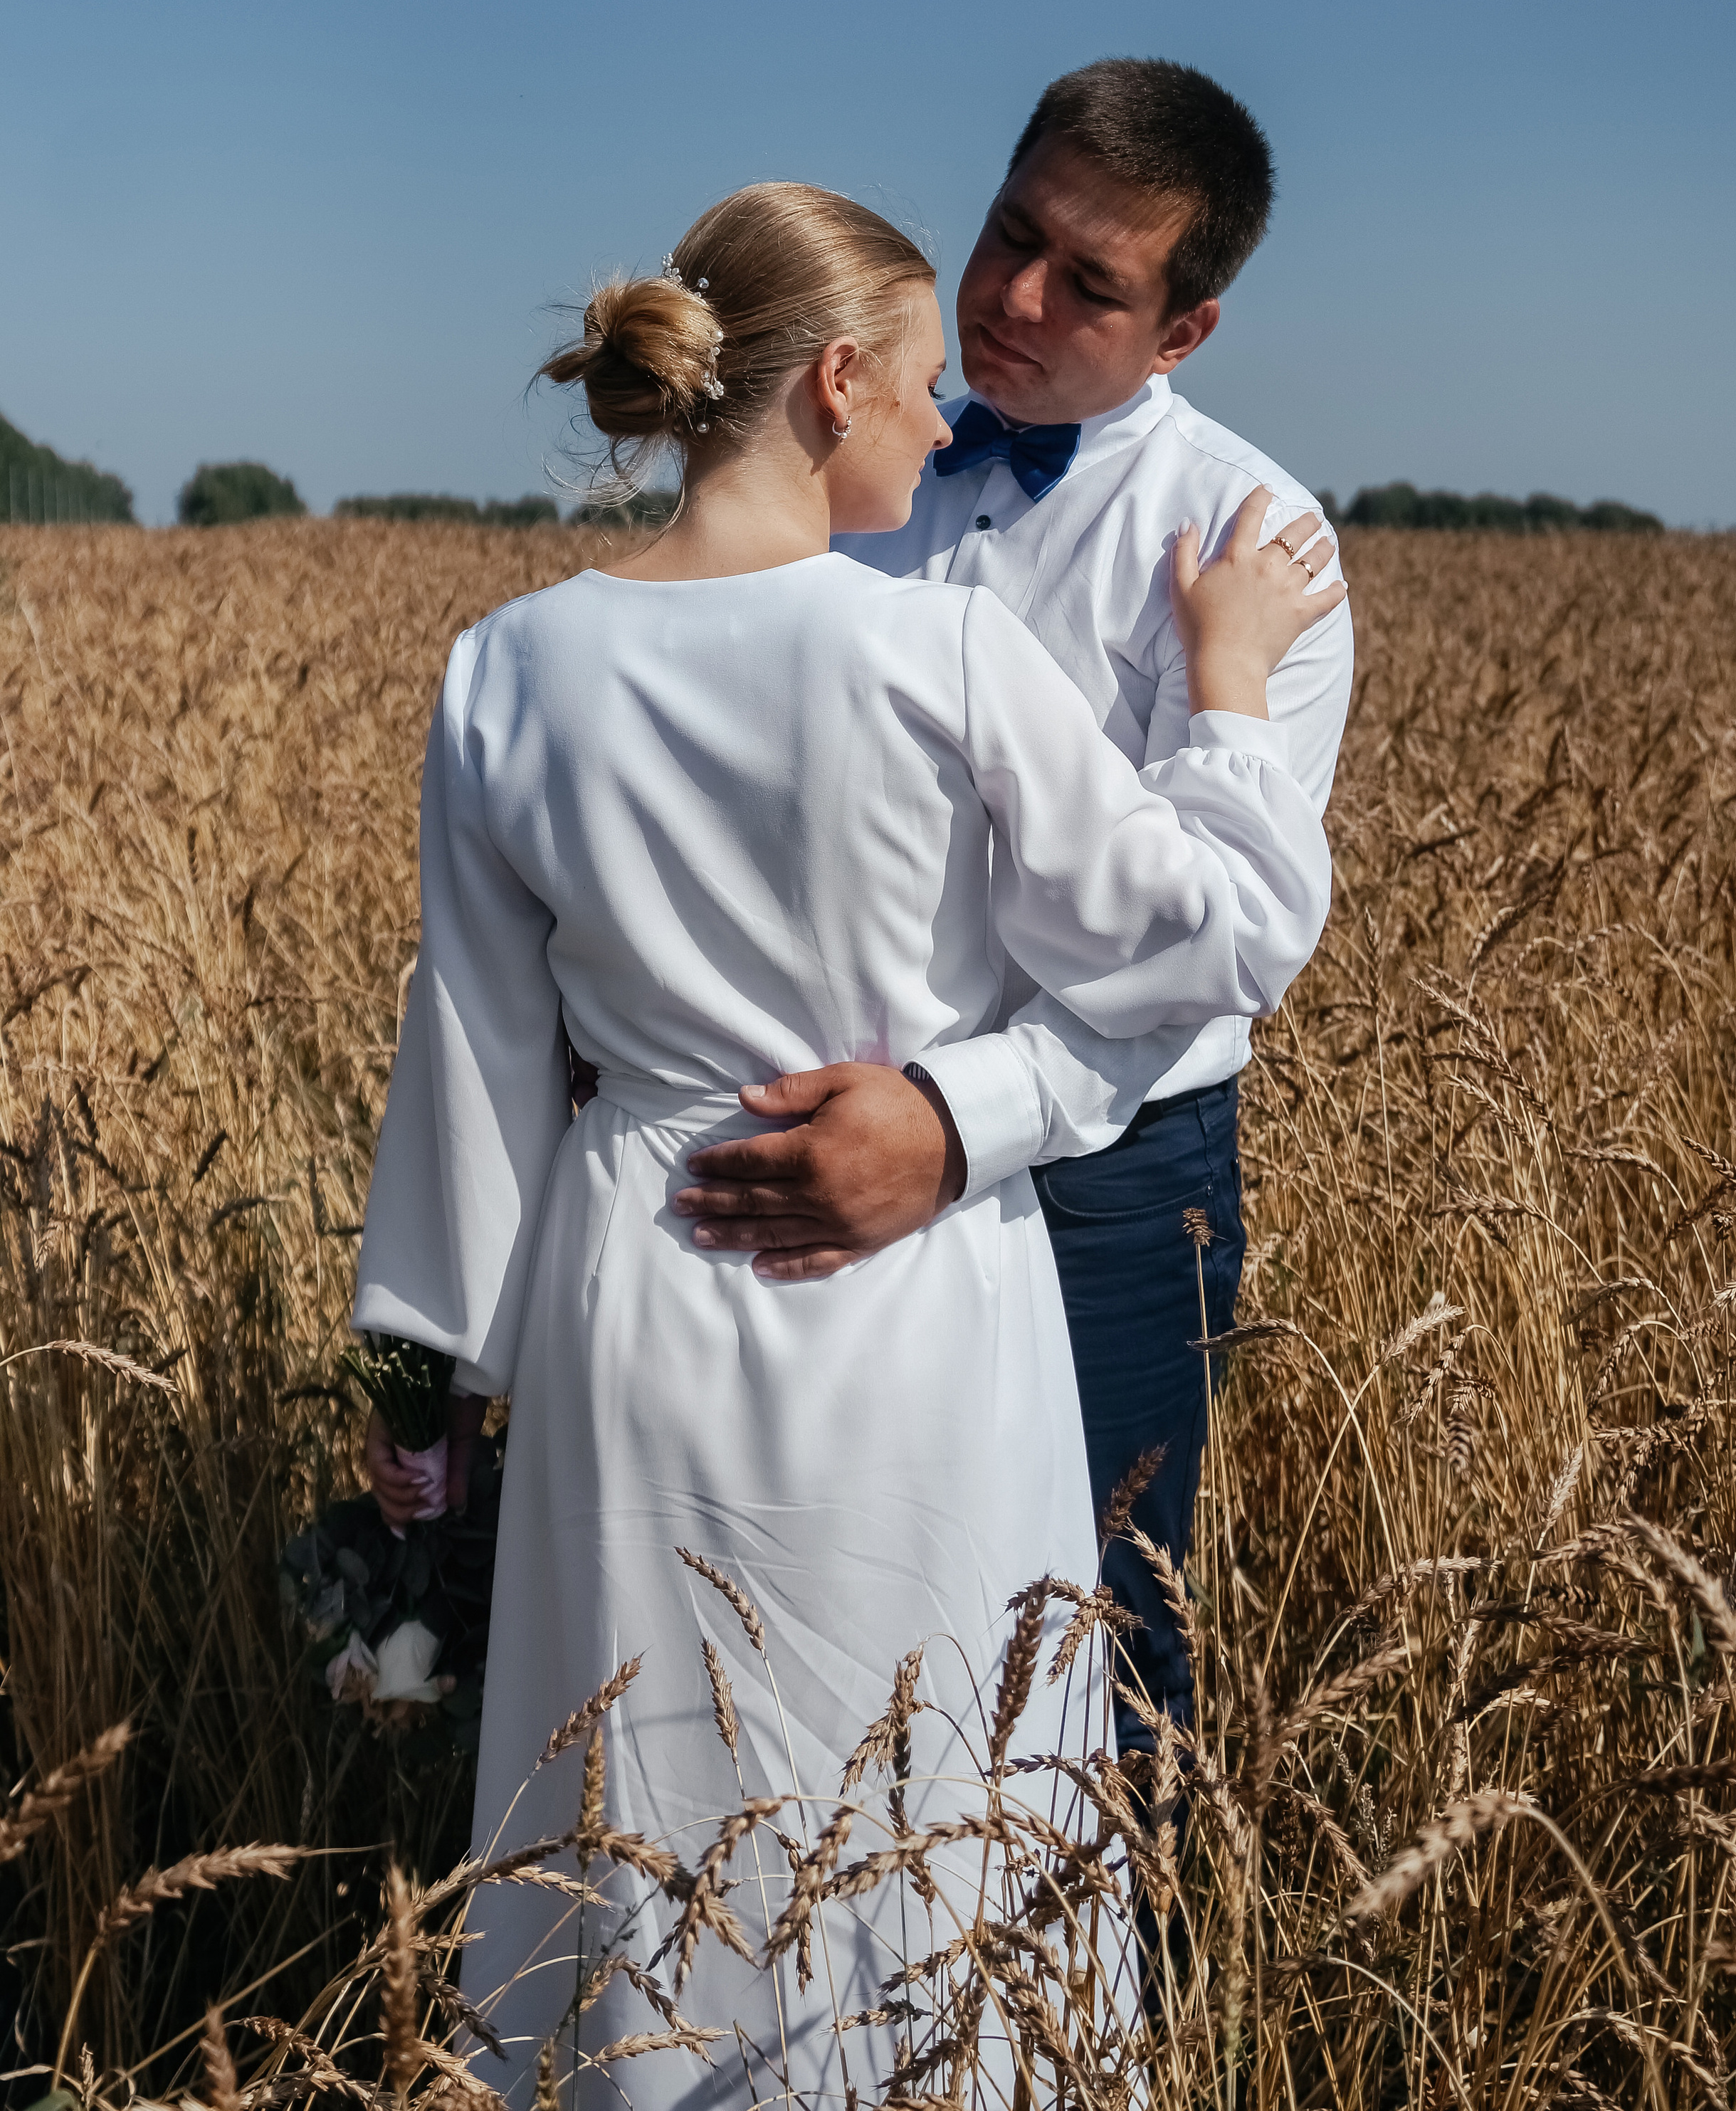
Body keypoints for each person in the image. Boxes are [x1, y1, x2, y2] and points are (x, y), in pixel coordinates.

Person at [354, 179, 1342, 2108]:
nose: (941, 428)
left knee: (637, 1816)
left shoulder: (507, 669)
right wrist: (1226, 688)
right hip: (914, 1308)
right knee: (938, 1810)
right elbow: (1215, 935)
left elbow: (466, 1072)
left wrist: (420, 1405)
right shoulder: (947, 655)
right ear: (834, 386)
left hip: (629, 1297)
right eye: (915, 398)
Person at [673, 62, 1352, 1759]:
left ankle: (1124, 2029)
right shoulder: (823, 467)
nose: (1012, 297)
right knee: (824, 1634)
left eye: (1090, 285)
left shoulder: (1251, 552)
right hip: (803, 1136)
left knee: (1092, 1662)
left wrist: (956, 1126)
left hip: (1102, 1191)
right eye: (1007, 234)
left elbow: (1198, 960)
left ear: (1181, 333)